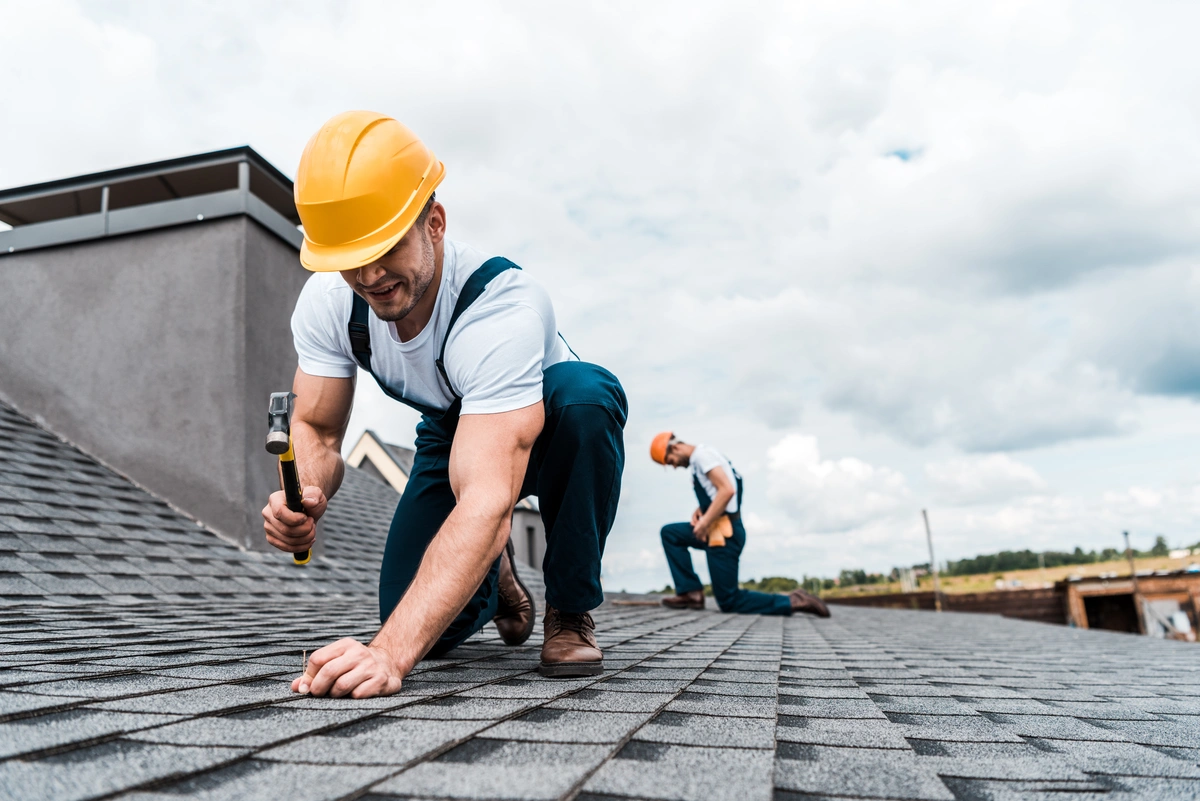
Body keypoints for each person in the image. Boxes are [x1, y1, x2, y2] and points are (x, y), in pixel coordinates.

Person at [262, 111, 627, 698]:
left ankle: (569, 609)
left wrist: (388, 655)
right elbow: (316, 428)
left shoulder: (500, 307)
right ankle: (498, 573)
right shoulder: (330, 303)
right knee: (415, 611)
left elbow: (486, 496)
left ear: (434, 222)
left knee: (588, 398)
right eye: (352, 257)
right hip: (453, 428)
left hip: (546, 412)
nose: (371, 274)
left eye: (385, 247)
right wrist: (306, 497)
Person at [650, 432, 829, 617]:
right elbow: (721, 490)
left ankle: (793, 601)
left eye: (670, 461)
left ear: (675, 447)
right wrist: (702, 509)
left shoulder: (702, 457)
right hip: (715, 529)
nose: (674, 466)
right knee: (671, 534)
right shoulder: (703, 458)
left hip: (725, 535)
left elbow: (727, 490)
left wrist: (704, 524)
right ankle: (690, 593)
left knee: (729, 600)